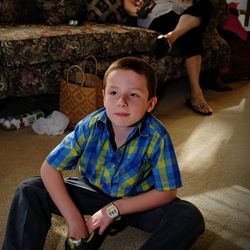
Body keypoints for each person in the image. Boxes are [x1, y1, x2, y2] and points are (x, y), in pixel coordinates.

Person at [2, 57, 205, 250]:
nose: (121, 102)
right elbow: (49, 168)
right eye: (114, 93)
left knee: (188, 217)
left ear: (150, 104)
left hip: (135, 201)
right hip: (92, 191)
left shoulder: (157, 136)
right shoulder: (89, 126)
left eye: (133, 94)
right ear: (103, 97)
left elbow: (167, 192)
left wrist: (114, 209)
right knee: (29, 188)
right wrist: (74, 221)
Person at [124, 0, 214, 115]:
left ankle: (171, 37)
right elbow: (128, 4)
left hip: (184, 14)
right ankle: (196, 94)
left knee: (206, 4)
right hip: (158, 15)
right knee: (192, 33)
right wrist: (139, 11)